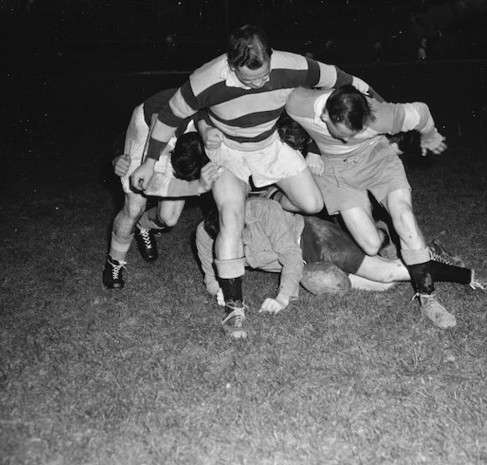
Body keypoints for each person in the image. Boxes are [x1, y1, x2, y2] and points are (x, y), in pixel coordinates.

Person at [129, 25, 382, 336]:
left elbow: (339, 77)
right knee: (231, 217)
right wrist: (150, 162)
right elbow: (169, 117)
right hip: (229, 153)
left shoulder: (290, 65)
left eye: (264, 75)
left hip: (269, 146)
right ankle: (234, 308)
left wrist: (376, 99)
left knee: (312, 203)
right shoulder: (206, 79)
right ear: (232, 65)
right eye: (251, 80)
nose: (261, 83)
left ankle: (268, 199)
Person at [195, 198, 487, 338]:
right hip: (306, 265)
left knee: (386, 275)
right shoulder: (204, 235)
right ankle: (391, 242)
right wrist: (220, 293)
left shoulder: (259, 210)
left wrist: (282, 298)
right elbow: (212, 276)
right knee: (381, 285)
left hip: (315, 239)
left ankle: (472, 276)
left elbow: (289, 258)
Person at [285, 84, 462, 329]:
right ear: (325, 115)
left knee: (404, 216)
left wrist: (430, 136)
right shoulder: (298, 103)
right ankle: (390, 242)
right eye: (345, 134)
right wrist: (311, 148)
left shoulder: (381, 115)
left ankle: (428, 297)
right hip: (337, 170)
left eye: (358, 131)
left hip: (377, 158)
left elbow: (421, 112)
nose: (350, 139)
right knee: (370, 244)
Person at [102, 88, 219, 289]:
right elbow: (150, 185)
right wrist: (118, 153)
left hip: (185, 138)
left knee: (169, 218)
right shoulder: (161, 124)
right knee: (134, 208)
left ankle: (144, 226)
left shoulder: (216, 126)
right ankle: (114, 262)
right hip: (149, 132)